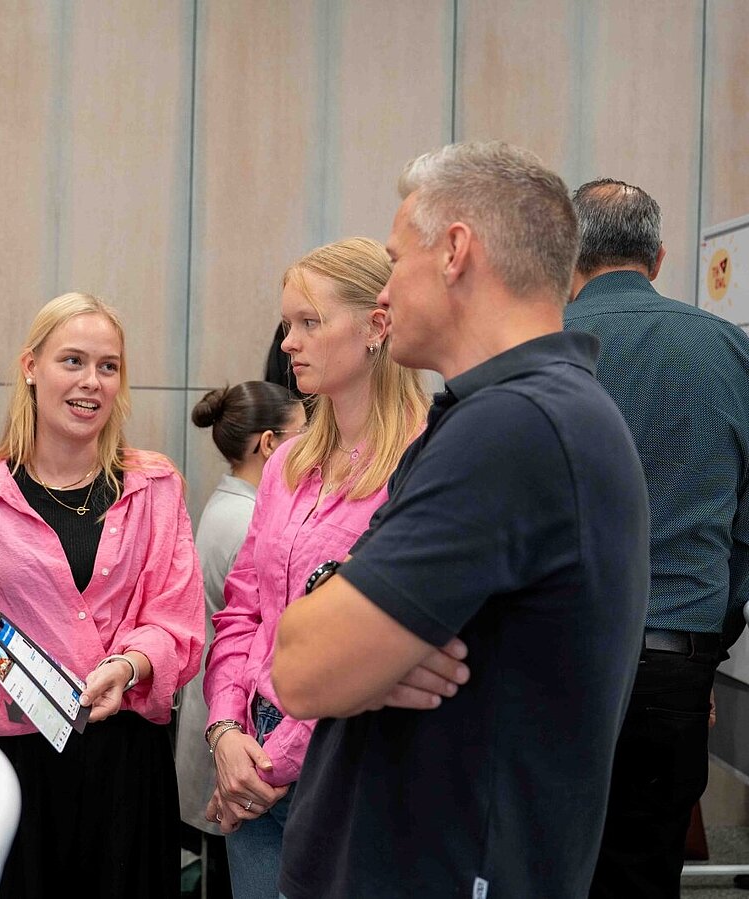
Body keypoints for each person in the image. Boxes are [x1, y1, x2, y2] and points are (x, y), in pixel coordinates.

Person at [271, 141, 651, 898]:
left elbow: (301, 668)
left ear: (453, 251)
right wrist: (366, 653)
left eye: (393, 260)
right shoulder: (535, 411)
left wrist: (354, 657)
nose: (383, 296)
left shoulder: (512, 427)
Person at [0, 292, 205, 898]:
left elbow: (177, 622)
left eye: (108, 366)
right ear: (31, 367)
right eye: (72, 361)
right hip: (19, 766)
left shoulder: (154, 488)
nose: (92, 382)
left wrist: (129, 665)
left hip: (128, 763)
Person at [202, 239, 429, 899]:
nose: (289, 343)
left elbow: (378, 649)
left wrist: (274, 761)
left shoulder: (422, 464)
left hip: (349, 760)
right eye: (287, 324)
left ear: (375, 328)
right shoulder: (286, 461)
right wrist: (224, 731)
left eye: (310, 322)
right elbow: (242, 608)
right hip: (250, 749)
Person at [563, 179, 749, 898]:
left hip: (549, 653)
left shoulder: (542, 345)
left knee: (540, 865)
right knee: (642, 871)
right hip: (675, 661)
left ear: (569, 256)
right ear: (661, 257)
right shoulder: (728, 352)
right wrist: (703, 636)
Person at [177, 381, 306, 899]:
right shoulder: (250, 517)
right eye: (303, 434)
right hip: (234, 723)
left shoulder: (227, 501)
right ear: (271, 444)